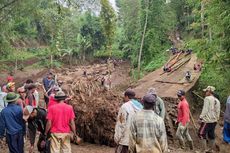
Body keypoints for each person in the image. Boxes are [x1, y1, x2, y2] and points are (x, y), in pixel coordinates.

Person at [114, 89, 143, 153]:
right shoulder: (140, 107)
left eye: (124, 97)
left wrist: (117, 138)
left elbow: (121, 124)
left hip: (126, 141)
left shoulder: (125, 106)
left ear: (126, 96)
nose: (123, 98)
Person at [198, 86, 220, 152]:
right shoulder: (217, 100)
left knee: (201, 134)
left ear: (210, 92)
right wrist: (217, 119)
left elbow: (205, 110)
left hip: (207, 121)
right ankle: (210, 150)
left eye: (206, 91)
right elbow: (218, 111)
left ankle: (203, 150)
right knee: (211, 135)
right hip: (214, 121)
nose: (205, 92)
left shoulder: (207, 99)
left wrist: (200, 118)